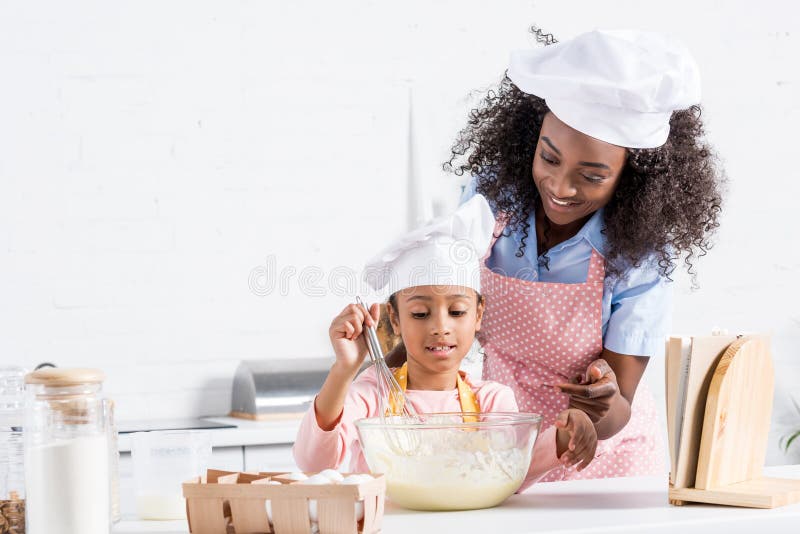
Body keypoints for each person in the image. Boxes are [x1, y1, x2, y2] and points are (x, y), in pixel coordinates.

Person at [392, 29, 724, 481]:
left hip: (607, 463)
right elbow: (437, 304)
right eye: (549, 159)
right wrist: (380, 360)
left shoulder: (637, 256)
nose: (560, 187)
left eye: (591, 177)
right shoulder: (492, 199)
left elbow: (618, 405)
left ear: (629, 182)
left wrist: (600, 406)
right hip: (505, 443)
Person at [293, 194, 597, 488]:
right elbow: (314, 464)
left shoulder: (491, 402)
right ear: (395, 319)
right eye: (421, 313)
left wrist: (562, 438)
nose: (440, 327)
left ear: (478, 315)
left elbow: (511, 471)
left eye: (456, 311)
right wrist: (345, 369)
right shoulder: (373, 395)